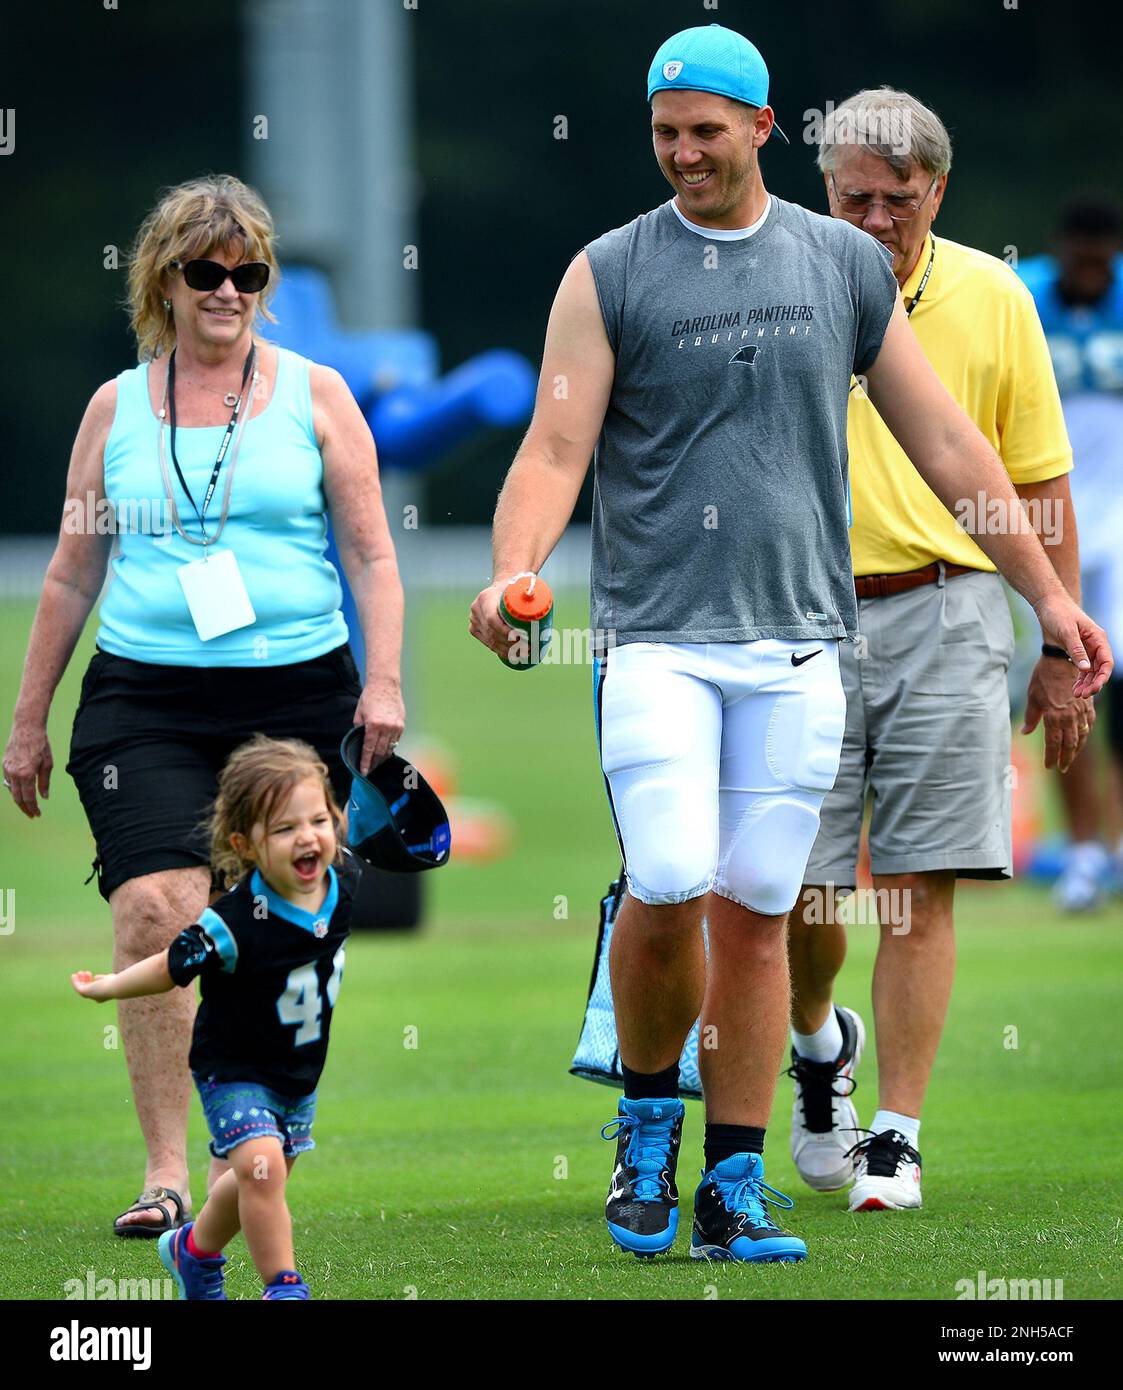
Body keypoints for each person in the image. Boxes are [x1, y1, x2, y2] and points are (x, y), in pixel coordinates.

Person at [469, 26, 1111, 1264]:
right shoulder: (607, 270)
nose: (682, 154)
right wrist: (513, 570)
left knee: (762, 908)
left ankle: (733, 1181)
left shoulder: (839, 265)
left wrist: (1046, 595)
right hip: (658, 636)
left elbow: (951, 447)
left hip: (800, 644)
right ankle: (647, 1127)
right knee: (667, 882)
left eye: (705, 131)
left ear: (762, 128)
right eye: (664, 133)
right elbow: (553, 450)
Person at [2, 174, 405, 1238]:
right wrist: (28, 717)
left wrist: (387, 681)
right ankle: (168, 1171)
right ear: (165, 281)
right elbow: (71, 575)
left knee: (274, 922)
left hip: (295, 688)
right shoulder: (116, 407)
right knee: (156, 907)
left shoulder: (318, 394)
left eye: (247, 272)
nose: (227, 289)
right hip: (146, 696)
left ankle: (257, 1128)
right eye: (205, 271)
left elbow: (370, 552)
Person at [787, 88, 1091, 1214]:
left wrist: (1055, 633)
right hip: (797, 617)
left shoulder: (995, 294)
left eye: (898, 201)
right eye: (854, 197)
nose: (874, 219)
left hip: (950, 604)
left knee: (920, 885)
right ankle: (820, 1050)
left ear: (938, 193)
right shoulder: (777, 279)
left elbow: (1038, 474)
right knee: (800, 898)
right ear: (824, 190)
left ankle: (896, 1137)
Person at [73, 736, 357, 1300]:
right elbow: (167, 966)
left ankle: (193, 1252)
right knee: (263, 1171)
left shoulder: (340, 885)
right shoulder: (233, 920)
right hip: (234, 1071)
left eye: (319, 820)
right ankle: (284, 1286)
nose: (307, 837)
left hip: (298, 1076)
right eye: (283, 829)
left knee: (255, 1178)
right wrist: (109, 987)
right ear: (243, 844)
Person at [1018, 200, 1123, 911]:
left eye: (1100, 258)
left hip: (1121, 523)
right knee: (1064, 685)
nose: (1089, 272)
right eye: (1078, 257)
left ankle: (1111, 844)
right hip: (1049, 528)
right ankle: (1083, 849)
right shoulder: (1022, 297)